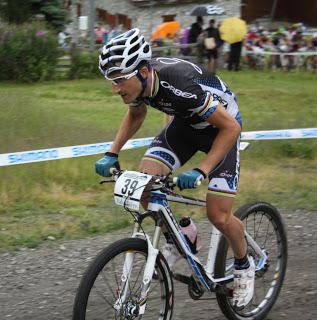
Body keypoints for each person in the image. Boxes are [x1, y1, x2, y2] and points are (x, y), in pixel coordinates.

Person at [96, 28, 255, 309]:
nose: (116, 88)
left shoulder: (180, 84)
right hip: (185, 126)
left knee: (218, 214)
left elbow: (231, 127)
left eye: (119, 80)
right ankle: (183, 238)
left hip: (222, 129)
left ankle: (244, 264)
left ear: (143, 71)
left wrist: (202, 170)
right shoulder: (140, 82)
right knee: (144, 184)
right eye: (111, 81)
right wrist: (112, 152)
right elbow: (136, 112)